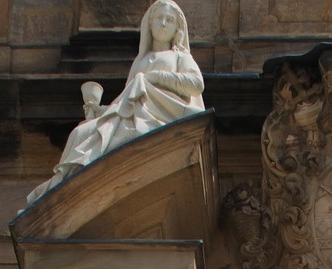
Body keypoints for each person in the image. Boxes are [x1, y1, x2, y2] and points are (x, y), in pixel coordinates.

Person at [32, 0, 205, 198]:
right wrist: (101, 110)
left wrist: (154, 78)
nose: (163, 23)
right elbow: (126, 98)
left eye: (170, 20)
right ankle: (61, 191)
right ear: (149, 23)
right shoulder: (140, 61)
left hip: (159, 116)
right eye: (159, 18)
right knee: (79, 134)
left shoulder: (179, 57)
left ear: (177, 29)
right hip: (131, 115)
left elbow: (196, 84)